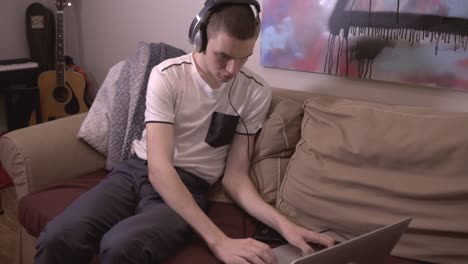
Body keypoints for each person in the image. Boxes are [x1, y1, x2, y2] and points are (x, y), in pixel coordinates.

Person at [34, 1, 334, 264]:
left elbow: (235, 178)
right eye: (223, 56)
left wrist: (286, 227)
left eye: (243, 57)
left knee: (122, 246)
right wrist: (219, 241)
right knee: (59, 236)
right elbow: (159, 168)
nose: (232, 69)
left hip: (190, 187)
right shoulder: (167, 76)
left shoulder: (254, 92)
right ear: (199, 37)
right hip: (137, 171)